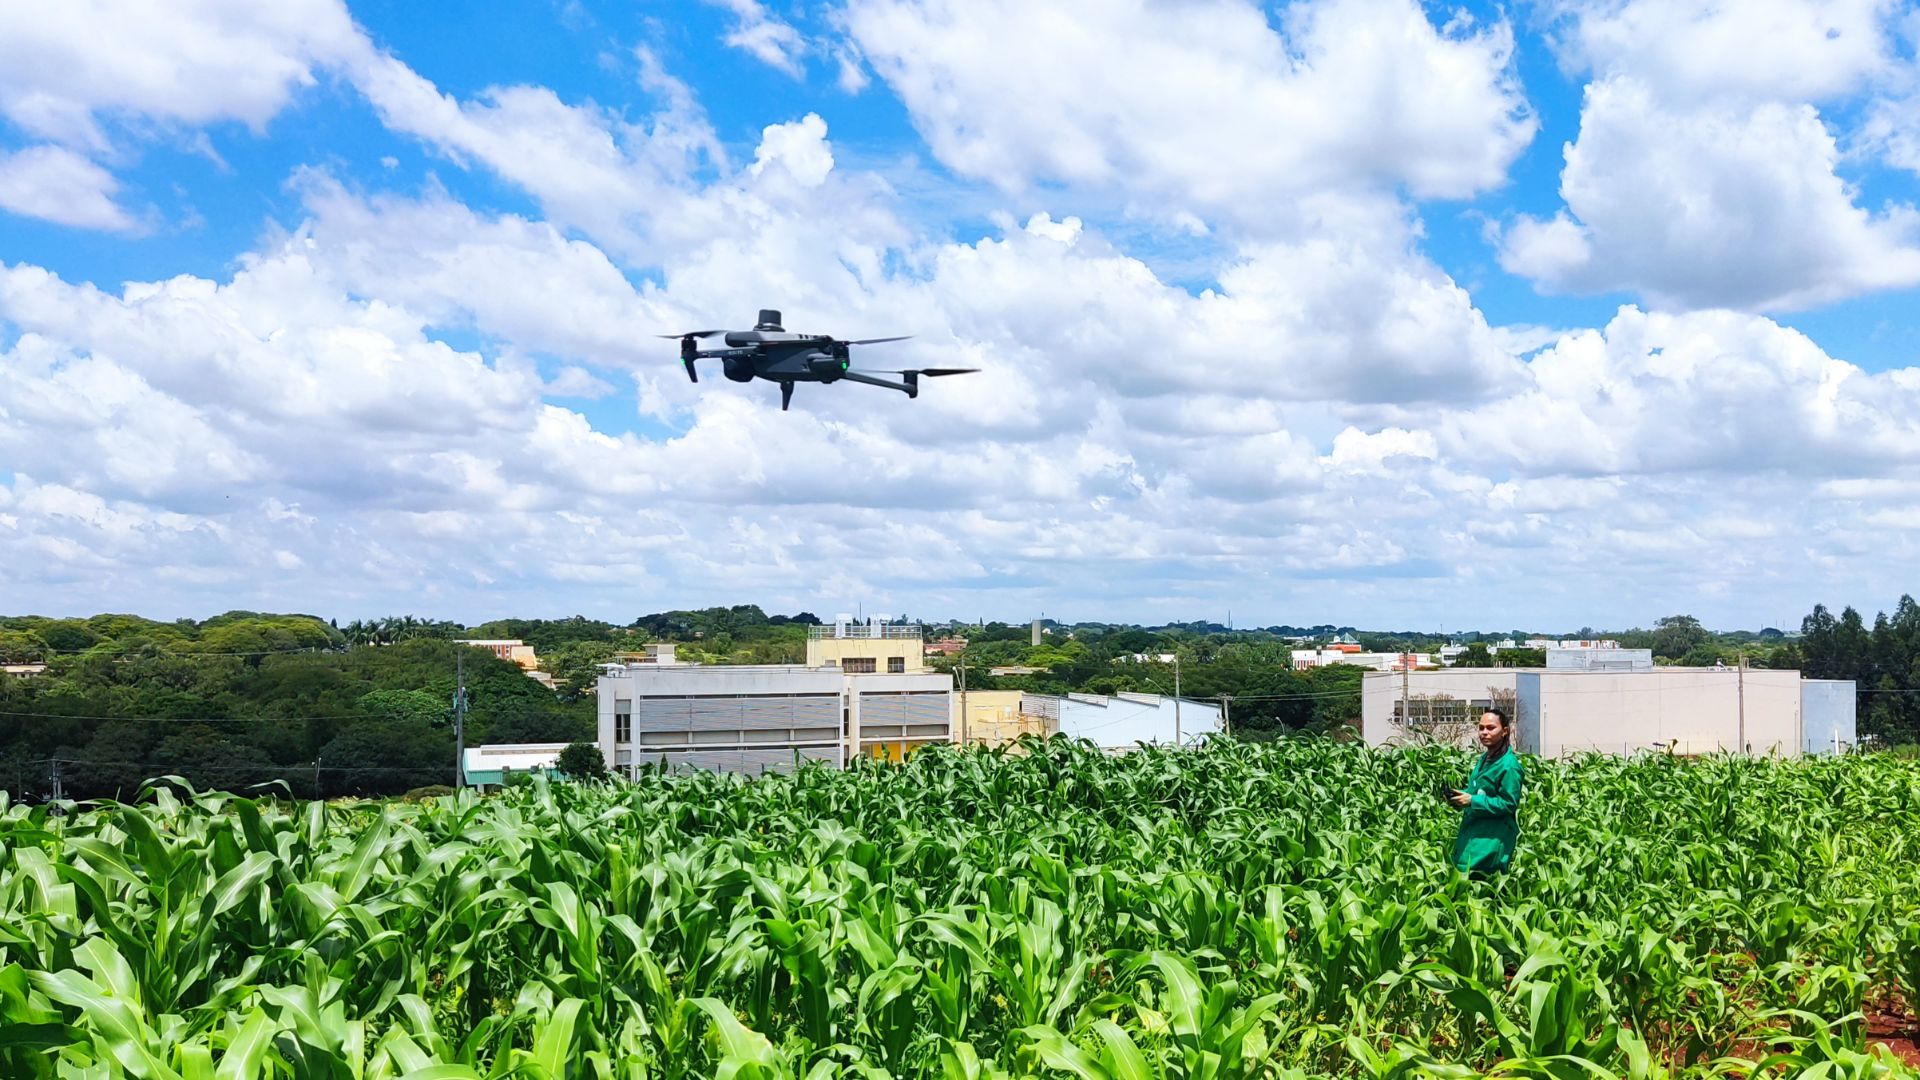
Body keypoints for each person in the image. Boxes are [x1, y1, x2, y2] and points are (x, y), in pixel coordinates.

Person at [1447, 707, 1523, 877]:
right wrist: (1460, 796)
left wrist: (1472, 801)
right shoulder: (1485, 759)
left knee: (1480, 885)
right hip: (1472, 834)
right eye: (1481, 728)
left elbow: (1508, 803)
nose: (1484, 733)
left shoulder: (1509, 766)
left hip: (1491, 839)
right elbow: (1478, 791)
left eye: (1490, 728)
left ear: (1504, 731)